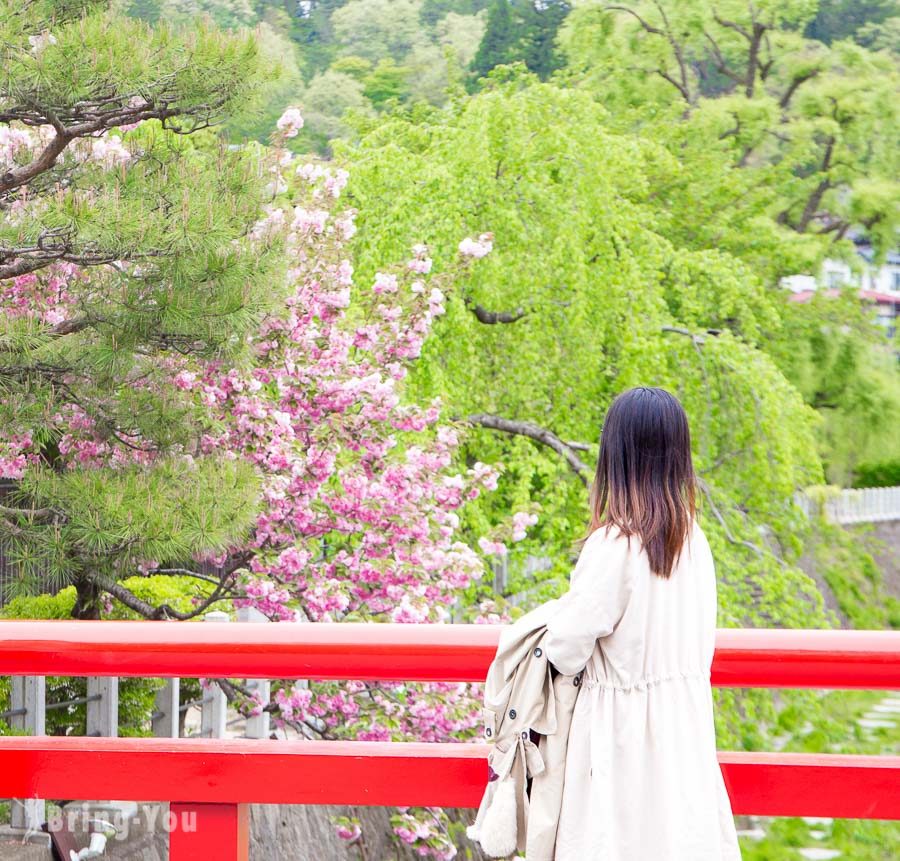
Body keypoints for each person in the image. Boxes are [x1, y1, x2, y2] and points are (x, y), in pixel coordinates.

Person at [542, 386, 742, 860]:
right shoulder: (695, 542)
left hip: (622, 737)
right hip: (683, 727)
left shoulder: (615, 545)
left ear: (616, 455)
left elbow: (565, 647)